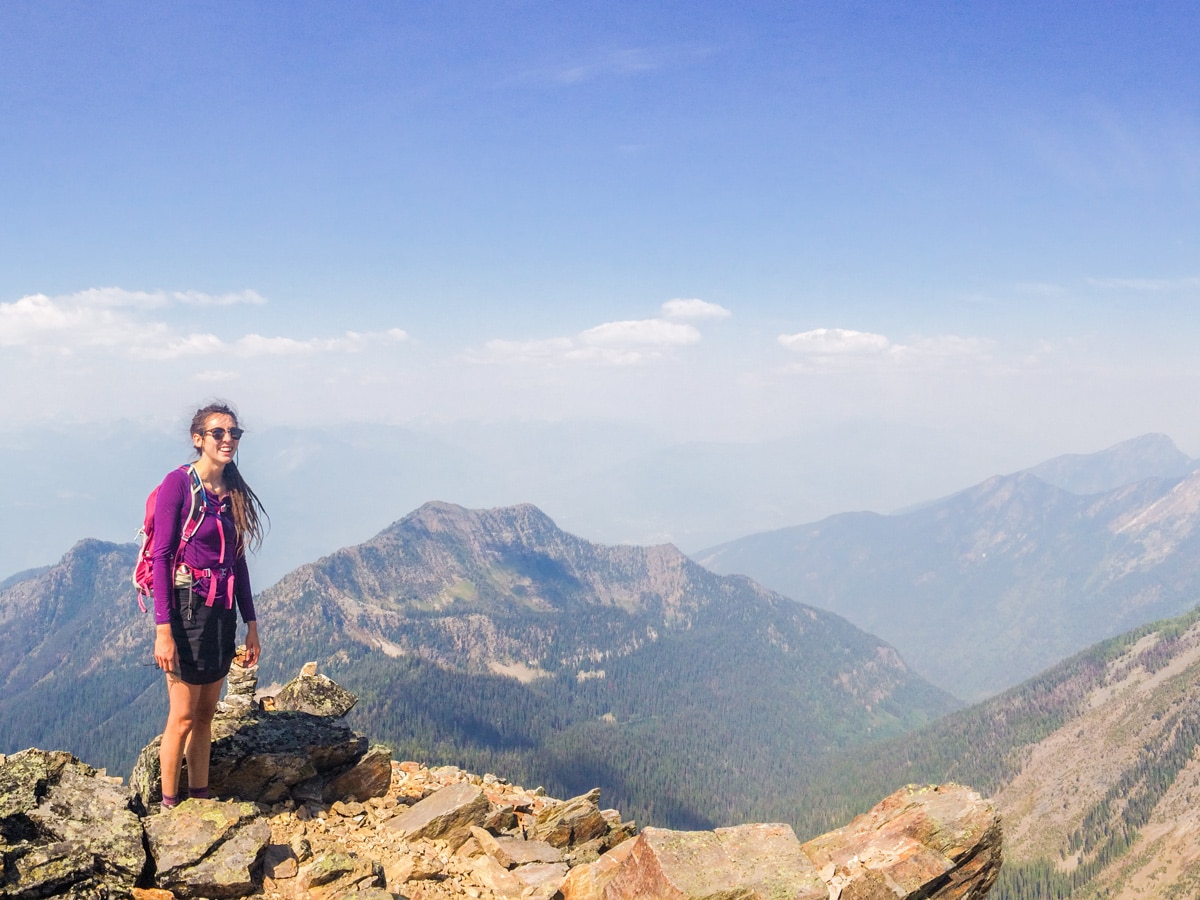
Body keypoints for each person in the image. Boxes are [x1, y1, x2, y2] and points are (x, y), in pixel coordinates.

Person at [151, 401, 267, 808]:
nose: (228, 440)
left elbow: (237, 559)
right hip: (186, 613)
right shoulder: (178, 485)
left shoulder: (231, 490)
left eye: (234, 433)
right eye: (218, 433)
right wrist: (163, 631)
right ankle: (169, 805)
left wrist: (250, 623)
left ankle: (199, 799)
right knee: (182, 717)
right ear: (197, 439)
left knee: (205, 717)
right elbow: (161, 558)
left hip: (221, 614)